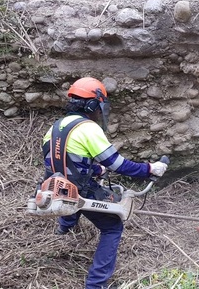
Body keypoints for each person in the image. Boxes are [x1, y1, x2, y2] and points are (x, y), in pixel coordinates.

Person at [41, 76, 168, 289]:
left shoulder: (55, 127)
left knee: (75, 196)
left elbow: (60, 161)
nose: (100, 112)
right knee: (112, 228)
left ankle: (64, 229)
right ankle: (96, 284)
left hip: (54, 186)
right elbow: (119, 165)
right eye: (99, 107)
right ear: (92, 105)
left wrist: (94, 169)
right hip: (77, 190)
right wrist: (149, 169)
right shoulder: (88, 128)